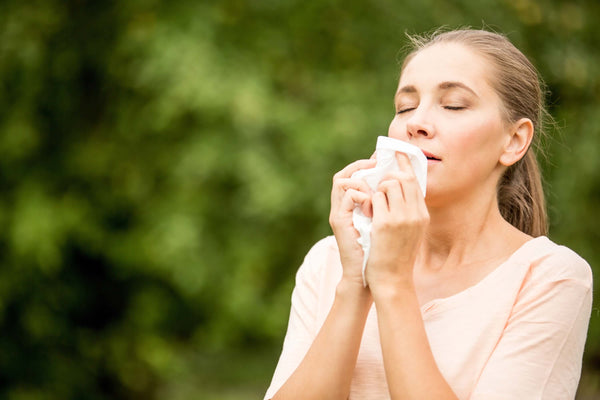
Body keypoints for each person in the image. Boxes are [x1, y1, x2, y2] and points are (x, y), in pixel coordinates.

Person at [264, 29, 593, 400]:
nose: (414, 123)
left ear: (513, 140)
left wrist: (391, 283)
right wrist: (356, 282)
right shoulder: (329, 263)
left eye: (453, 105)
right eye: (405, 107)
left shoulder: (550, 278)